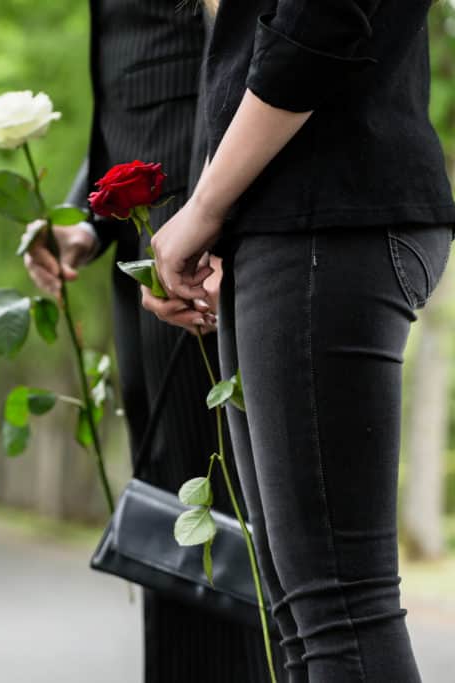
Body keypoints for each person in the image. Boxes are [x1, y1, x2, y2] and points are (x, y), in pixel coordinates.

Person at [143, 1, 454, 681]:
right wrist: (219, 223)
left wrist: (205, 208)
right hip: (293, 218)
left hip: (324, 212)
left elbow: (323, 17)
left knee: (337, 613)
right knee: (300, 618)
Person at [23, 1, 276, 680]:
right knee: (177, 521)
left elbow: (246, 54)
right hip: (150, 243)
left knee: (218, 530)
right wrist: (89, 220)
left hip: (201, 245)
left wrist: (219, 223)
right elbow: (138, 93)